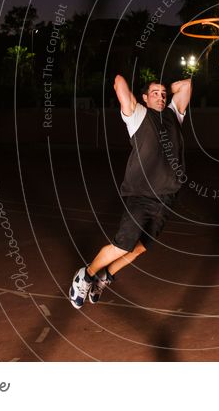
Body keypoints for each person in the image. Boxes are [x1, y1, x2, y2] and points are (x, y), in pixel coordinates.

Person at [69, 74, 192, 308]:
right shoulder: (137, 115)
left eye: (163, 93)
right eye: (154, 93)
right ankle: (85, 275)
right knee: (123, 244)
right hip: (141, 196)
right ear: (144, 98)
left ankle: (105, 276)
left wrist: (171, 87)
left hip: (166, 198)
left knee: (138, 249)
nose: (161, 96)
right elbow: (118, 82)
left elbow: (186, 85)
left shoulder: (174, 114)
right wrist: (135, 96)